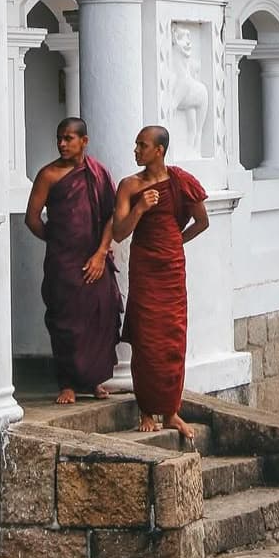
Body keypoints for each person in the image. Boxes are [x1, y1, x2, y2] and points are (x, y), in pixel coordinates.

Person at [112, 124, 209, 441]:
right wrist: (140, 208)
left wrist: (176, 242)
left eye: (142, 145)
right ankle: (146, 410)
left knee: (172, 336)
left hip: (171, 266)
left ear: (159, 150)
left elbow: (202, 221)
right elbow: (119, 232)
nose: (136, 150)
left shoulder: (180, 182)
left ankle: (170, 412)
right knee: (147, 336)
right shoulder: (130, 186)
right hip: (144, 265)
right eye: (136, 144)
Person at [24, 117, 122, 405]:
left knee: (99, 317)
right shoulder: (49, 175)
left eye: (69, 138)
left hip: (96, 258)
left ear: (84, 141)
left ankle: (94, 381)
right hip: (63, 262)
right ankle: (67, 382)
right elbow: (32, 219)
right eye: (59, 138)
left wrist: (100, 252)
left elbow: (111, 216)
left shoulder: (98, 173)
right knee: (65, 320)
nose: (62, 144)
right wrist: (58, 241)